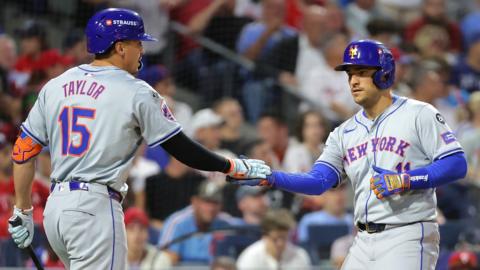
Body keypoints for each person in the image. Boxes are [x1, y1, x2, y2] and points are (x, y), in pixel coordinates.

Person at [7, 8, 271, 270]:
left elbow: (23, 150)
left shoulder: (56, 86)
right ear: (120, 47)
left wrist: (23, 210)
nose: (142, 50)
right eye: (137, 43)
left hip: (56, 212)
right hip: (94, 209)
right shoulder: (136, 91)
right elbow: (181, 148)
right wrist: (232, 167)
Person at [229, 39, 468, 269]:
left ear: (384, 73)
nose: (353, 81)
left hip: (407, 232)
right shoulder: (344, 133)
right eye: (350, 74)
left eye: (362, 72)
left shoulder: (419, 114)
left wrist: (406, 180)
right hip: (362, 239)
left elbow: (456, 163)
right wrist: (271, 177)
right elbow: (318, 181)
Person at [157, 180, 234, 265]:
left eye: (215, 203)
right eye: (206, 202)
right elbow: (162, 258)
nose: (211, 208)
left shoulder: (226, 222)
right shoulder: (177, 222)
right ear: (194, 201)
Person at [236, 208, 311, 270]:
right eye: (275, 239)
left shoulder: (300, 256)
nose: (280, 243)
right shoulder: (250, 258)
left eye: (284, 238)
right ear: (264, 236)